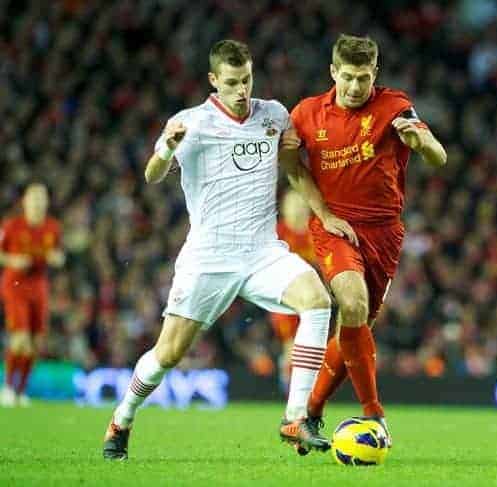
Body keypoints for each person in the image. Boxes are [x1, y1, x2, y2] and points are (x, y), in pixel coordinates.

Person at [102, 39, 355, 460]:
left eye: (248, 80)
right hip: (209, 258)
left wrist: (325, 216)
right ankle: (122, 418)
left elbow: (294, 171)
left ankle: (296, 417)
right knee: (168, 354)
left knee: (317, 301)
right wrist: (165, 146)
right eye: (233, 82)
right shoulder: (191, 123)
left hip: (262, 253)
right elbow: (152, 175)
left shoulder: (272, 115)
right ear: (213, 81)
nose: (242, 90)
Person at [280, 33, 447, 447]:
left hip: (385, 232)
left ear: (376, 74)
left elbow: (439, 157)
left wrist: (421, 141)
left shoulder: (394, 106)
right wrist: (323, 214)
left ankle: (310, 414)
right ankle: (375, 415)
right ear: (333, 72)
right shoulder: (307, 114)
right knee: (352, 303)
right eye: (349, 77)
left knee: (354, 326)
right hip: (335, 227)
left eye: (364, 78)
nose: (356, 87)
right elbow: (292, 166)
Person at [0, 183, 65, 407]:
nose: (37, 203)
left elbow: (58, 253)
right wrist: (12, 260)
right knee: (21, 339)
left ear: (46, 203)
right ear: (25, 202)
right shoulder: (12, 226)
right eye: (33, 199)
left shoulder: (53, 227)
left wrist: (57, 258)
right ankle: (7, 388)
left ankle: (20, 391)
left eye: (41, 199)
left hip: (38, 287)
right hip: (15, 285)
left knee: (36, 344)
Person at [269, 189, 319, 392]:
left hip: (311, 296)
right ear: (284, 208)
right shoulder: (278, 232)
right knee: (293, 341)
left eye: (301, 204)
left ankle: (301, 380)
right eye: (293, 205)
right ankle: (290, 381)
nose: (297, 209)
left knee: (309, 339)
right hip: (284, 294)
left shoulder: (314, 232)